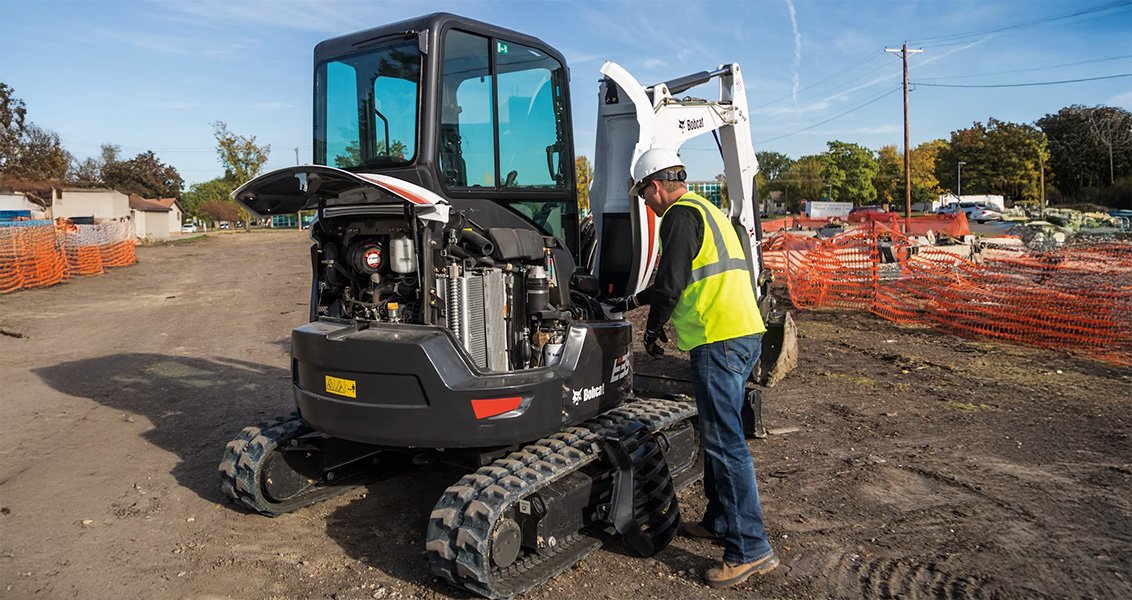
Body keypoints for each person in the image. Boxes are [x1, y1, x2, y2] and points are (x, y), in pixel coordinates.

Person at [609, 148, 778, 588]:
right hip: (742, 335)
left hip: (718, 341)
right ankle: (721, 522)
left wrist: (651, 329)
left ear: (656, 185)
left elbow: (672, 282)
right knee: (721, 437)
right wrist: (635, 300)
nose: (646, 202)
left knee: (725, 445)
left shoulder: (678, 216)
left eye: (644, 194)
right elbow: (691, 275)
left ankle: (750, 549)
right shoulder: (709, 211)